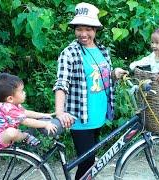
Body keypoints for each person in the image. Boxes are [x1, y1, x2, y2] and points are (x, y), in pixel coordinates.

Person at [53, 2, 128, 179]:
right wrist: (59, 112)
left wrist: (114, 74)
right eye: (79, 29)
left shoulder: (102, 50)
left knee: (91, 161)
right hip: (80, 118)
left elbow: (102, 75)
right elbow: (61, 83)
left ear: (95, 30)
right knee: (86, 164)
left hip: (97, 115)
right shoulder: (69, 52)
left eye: (88, 29)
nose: (83, 34)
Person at [0, 73, 58, 151]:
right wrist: (45, 124)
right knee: (11, 132)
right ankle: (25, 136)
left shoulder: (12, 105)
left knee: (12, 131)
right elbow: (27, 121)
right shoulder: (8, 109)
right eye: (21, 91)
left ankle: (22, 135)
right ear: (10, 98)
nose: (24, 93)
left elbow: (25, 112)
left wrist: (43, 115)